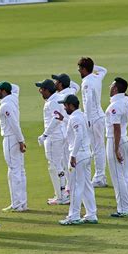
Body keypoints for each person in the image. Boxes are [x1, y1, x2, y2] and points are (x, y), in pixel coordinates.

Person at [55, 94, 97, 225]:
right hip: (86, 154)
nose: (64, 107)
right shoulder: (81, 115)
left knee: (75, 186)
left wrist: (73, 155)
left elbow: (78, 136)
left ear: (71, 106)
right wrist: (64, 119)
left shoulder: (75, 118)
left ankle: (73, 216)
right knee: (86, 185)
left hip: (78, 156)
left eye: (65, 105)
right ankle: (91, 214)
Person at [0, 81, 28, 212]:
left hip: (10, 138)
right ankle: (22, 203)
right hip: (15, 137)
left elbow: (13, 123)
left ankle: (17, 204)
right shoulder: (13, 98)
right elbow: (16, 87)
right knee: (20, 170)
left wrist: (21, 140)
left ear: (4, 91)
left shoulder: (6, 105)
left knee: (14, 171)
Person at [105, 77, 128, 217]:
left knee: (118, 177)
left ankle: (123, 209)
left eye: (111, 85)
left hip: (115, 140)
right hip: (125, 138)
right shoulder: (126, 100)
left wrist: (116, 149)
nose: (109, 87)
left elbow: (116, 128)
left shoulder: (114, 106)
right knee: (125, 174)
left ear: (116, 89)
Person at [36, 79, 68, 205]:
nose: (40, 91)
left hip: (54, 137)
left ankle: (61, 196)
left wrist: (44, 135)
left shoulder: (52, 102)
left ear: (47, 90)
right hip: (57, 136)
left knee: (54, 166)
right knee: (56, 165)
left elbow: (56, 119)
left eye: (42, 89)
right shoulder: (54, 99)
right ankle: (60, 194)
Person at [77, 57, 107, 187]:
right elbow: (104, 70)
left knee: (97, 149)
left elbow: (88, 100)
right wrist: (92, 67)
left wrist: (87, 119)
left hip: (93, 118)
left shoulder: (87, 82)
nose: (79, 71)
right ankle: (101, 176)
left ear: (84, 69)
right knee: (99, 147)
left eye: (80, 69)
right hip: (99, 116)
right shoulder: (97, 77)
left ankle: (99, 178)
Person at [52, 73, 80, 201]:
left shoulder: (61, 96)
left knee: (66, 162)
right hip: (70, 133)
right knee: (67, 163)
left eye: (57, 81)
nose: (54, 83)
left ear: (61, 84)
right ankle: (70, 187)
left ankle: (70, 190)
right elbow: (75, 85)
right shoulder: (72, 91)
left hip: (65, 134)